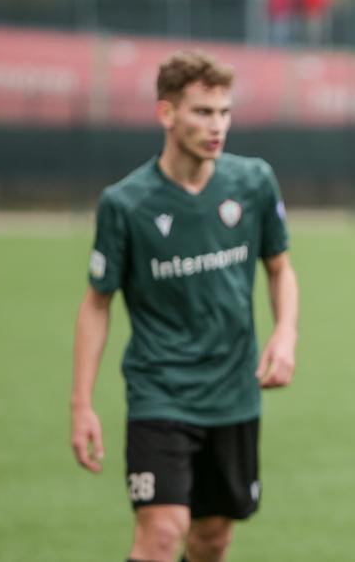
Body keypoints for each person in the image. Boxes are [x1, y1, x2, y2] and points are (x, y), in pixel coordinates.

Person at [70, 50, 299, 562]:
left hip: (234, 394)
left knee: (212, 538)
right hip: (160, 393)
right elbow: (96, 304)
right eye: (202, 112)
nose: (216, 126)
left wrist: (285, 333)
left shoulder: (254, 181)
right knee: (162, 535)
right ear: (166, 113)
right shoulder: (125, 204)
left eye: (224, 113)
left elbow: (280, 268)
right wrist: (81, 405)